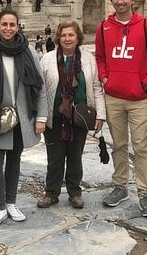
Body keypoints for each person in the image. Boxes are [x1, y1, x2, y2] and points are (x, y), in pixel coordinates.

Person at [95, 0, 147, 217]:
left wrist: (146, 83)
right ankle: (120, 185)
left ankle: (145, 193)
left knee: (142, 146)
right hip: (113, 96)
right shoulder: (104, 26)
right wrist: (105, 78)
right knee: (119, 145)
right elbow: (101, 58)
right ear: (111, 0)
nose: (120, 1)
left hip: (139, 99)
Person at [0, 9, 47, 228]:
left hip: (20, 116)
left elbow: (39, 85)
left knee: (14, 160)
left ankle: (11, 202)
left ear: (18, 26)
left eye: (12, 24)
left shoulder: (27, 50)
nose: (8, 28)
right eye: (4, 24)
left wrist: (41, 117)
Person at [37, 21, 105, 209]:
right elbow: (41, 90)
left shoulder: (88, 59)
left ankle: (75, 192)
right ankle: (51, 193)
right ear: (59, 37)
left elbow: (97, 87)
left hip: (79, 115)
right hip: (56, 115)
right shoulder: (48, 59)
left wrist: (100, 114)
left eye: (71, 35)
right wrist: (41, 117)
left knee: (75, 155)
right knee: (55, 157)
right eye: (64, 35)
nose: (67, 39)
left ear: (77, 38)